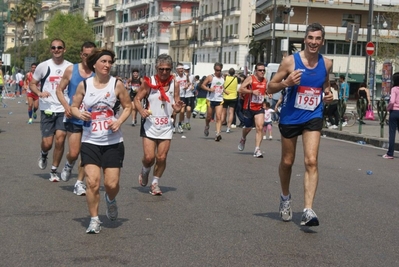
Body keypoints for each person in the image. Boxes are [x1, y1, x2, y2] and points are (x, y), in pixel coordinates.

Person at [267, 22, 333, 227]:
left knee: (311, 161)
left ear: (322, 41)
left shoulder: (327, 63)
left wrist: (329, 95)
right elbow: (270, 87)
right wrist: (286, 83)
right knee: (287, 162)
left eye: (318, 39)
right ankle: (285, 197)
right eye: (310, 38)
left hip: (313, 115)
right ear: (305, 39)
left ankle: (308, 210)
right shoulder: (290, 62)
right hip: (290, 116)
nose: (314, 42)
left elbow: (326, 85)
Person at [70, 48, 132, 234]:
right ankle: (94, 219)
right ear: (95, 64)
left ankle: (111, 200)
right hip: (90, 141)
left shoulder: (116, 85)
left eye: (109, 62)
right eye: (103, 61)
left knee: (111, 185)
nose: (107, 65)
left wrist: (119, 121)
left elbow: (128, 106)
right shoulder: (85, 85)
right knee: (93, 183)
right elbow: (73, 106)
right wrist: (79, 113)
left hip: (113, 142)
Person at [134, 54, 184, 196]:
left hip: (166, 125)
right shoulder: (149, 82)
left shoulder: (175, 84)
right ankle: (145, 170)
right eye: (161, 69)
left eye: (167, 69)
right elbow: (137, 99)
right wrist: (141, 110)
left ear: (171, 69)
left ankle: (155, 183)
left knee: (161, 157)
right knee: (149, 157)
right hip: (150, 124)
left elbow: (176, 103)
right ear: (156, 68)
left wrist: (178, 108)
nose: (164, 72)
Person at [56, 41, 96, 195]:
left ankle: (79, 183)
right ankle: (68, 164)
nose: (87, 58)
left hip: (90, 120)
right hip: (73, 117)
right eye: (85, 55)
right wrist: (67, 106)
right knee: (74, 153)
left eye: (91, 55)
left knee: (85, 153)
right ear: (81, 55)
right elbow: (59, 90)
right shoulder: (71, 70)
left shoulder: (98, 72)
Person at [29, 39, 73, 182]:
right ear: (50, 50)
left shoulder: (70, 67)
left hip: (63, 108)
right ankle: (43, 153)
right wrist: (39, 93)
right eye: (53, 47)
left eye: (59, 47)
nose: (56, 50)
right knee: (48, 143)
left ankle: (54, 170)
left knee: (60, 140)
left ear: (64, 49)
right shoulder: (44, 66)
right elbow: (32, 84)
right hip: (47, 108)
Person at [237, 62, 268, 158]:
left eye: (263, 70)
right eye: (260, 70)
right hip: (249, 107)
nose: (262, 72)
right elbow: (240, 89)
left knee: (259, 127)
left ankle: (257, 149)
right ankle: (243, 138)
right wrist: (251, 91)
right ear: (255, 71)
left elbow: (264, 91)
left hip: (259, 108)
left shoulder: (265, 80)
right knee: (248, 127)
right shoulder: (250, 78)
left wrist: (267, 93)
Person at [201, 62, 225, 141]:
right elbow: (202, 85)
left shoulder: (223, 77)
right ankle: (207, 126)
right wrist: (209, 89)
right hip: (211, 99)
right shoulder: (210, 77)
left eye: (219, 70)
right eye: (216, 70)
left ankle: (218, 134)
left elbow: (222, 86)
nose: (218, 71)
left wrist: (225, 90)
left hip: (219, 99)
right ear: (214, 69)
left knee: (219, 117)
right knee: (209, 117)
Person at [383, 72, 399, 159]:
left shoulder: (394, 89)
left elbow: (392, 101)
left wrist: (388, 108)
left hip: (394, 112)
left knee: (392, 133)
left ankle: (390, 153)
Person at [222, 68, 239, 133]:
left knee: (224, 112)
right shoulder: (236, 79)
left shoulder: (225, 78)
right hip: (233, 97)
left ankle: (221, 124)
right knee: (231, 112)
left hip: (225, 96)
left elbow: (222, 76)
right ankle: (228, 127)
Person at [174, 63, 188, 133]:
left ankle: (179, 124)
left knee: (182, 111)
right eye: (180, 69)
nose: (181, 70)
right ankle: (173, 125)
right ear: (177, 70)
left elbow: (188, 83)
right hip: (176, 96)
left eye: (182, 68)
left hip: (183, 96)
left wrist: (187, 86)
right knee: (175, 112)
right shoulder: (174, 76)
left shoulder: (185, 75)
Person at [181, 64, 195, 130]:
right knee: (182, 110)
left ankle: (188, 121)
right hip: (183, 95)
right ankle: (182, 122)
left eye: (188, 69)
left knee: (189, 109)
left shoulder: (192, 76)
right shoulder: (181, 77)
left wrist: (193, 87)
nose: (187, 71)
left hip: (189, 94)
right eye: (186, 70)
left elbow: (193, 83)